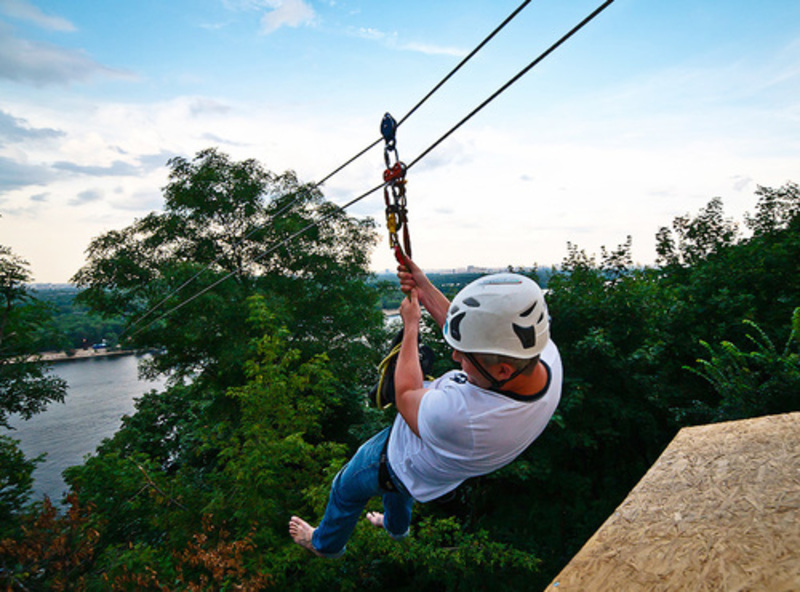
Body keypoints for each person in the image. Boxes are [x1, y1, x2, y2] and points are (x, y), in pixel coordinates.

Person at [289, 256, 562, 557]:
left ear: (503, 372)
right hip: (432, 470)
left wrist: (411, 326)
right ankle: (396, 529)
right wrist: (423, 286)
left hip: (399, 457)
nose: (455, 356)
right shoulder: (542, 354)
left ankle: (323, 544)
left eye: (465, 356)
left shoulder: (460, 419)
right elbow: (475, 331)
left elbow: (404, 393)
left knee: (345, 489)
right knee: (399, 491)